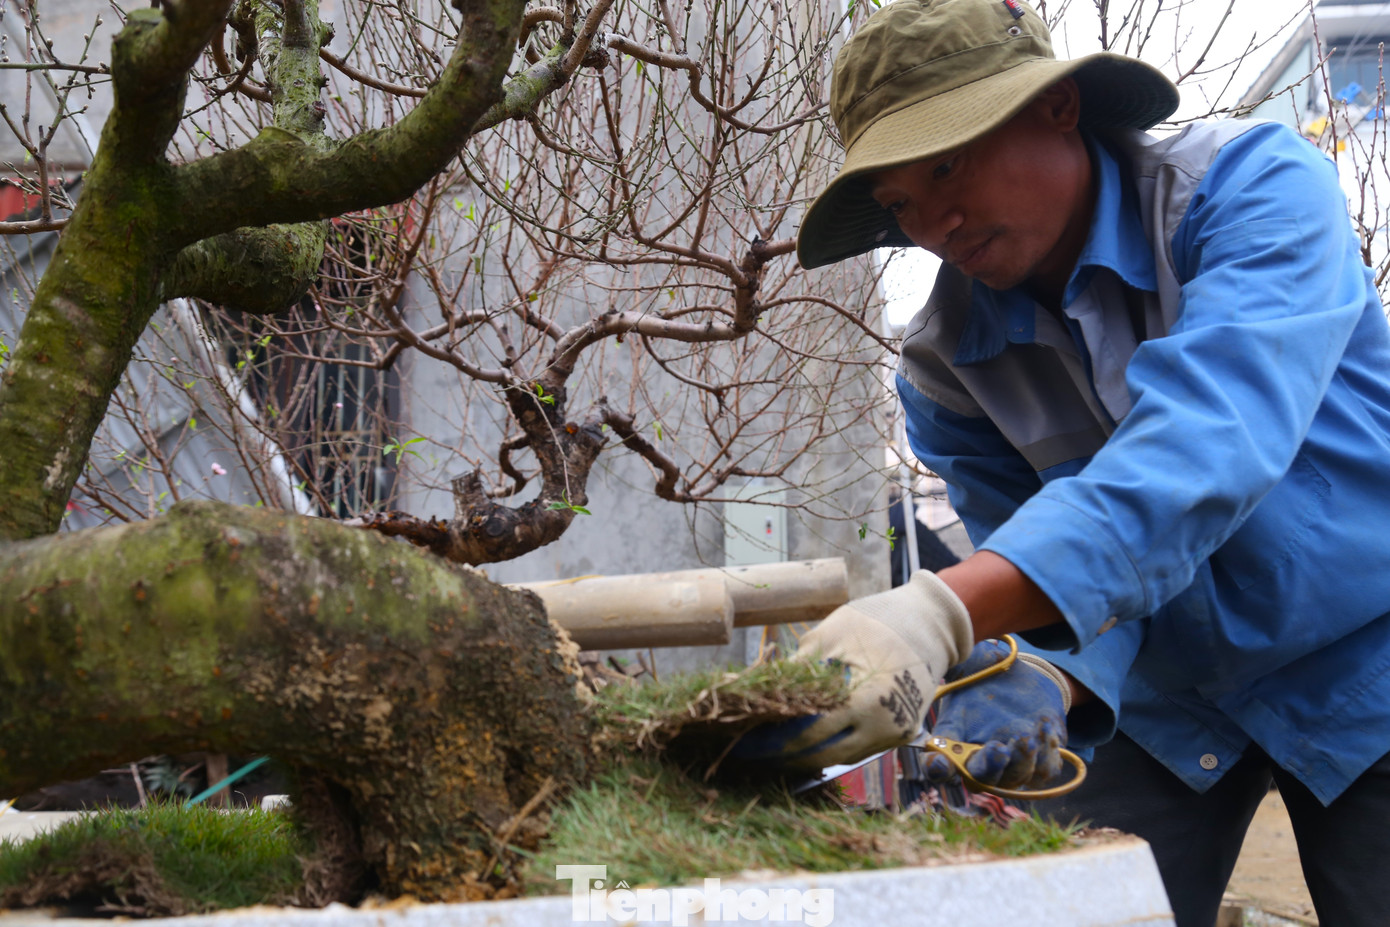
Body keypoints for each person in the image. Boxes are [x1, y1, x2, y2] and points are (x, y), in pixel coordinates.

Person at [737, 1, 1390, 924]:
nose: (935, 222)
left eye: (948, 163)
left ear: (1059, 108)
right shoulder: (943, 368)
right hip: (1171, 703)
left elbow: (1205, 447)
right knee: (1070, 903)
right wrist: (1045, 675)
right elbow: (1048, 584)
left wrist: (939, 612)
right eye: (898, 203)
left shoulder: (1252, 190)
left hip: (1367, 654)